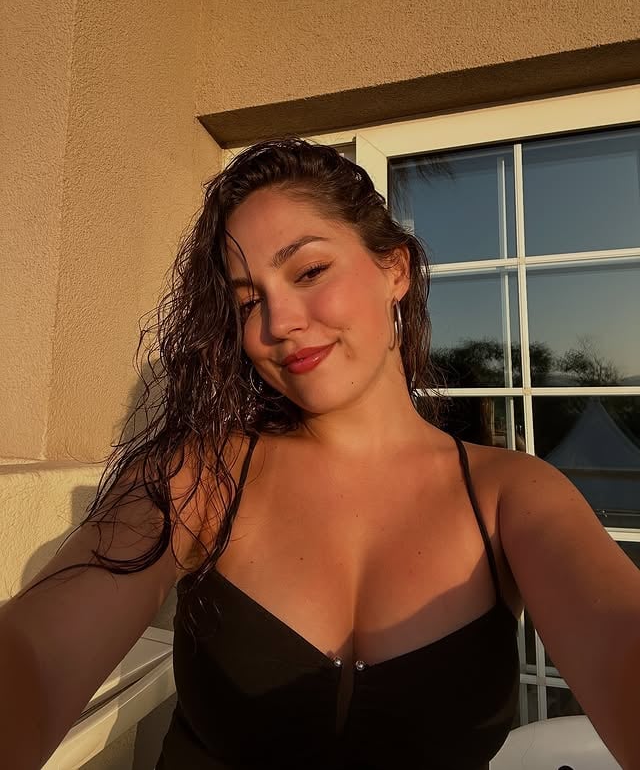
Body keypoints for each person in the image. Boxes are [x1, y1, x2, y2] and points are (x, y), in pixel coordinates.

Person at [1, 137, 639, 770]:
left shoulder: (510, 496)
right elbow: (36, 649)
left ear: (394, 271)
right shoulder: (199, 479)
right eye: (248, 301)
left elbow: (619, 631)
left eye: (308, 272)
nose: (277, 323)